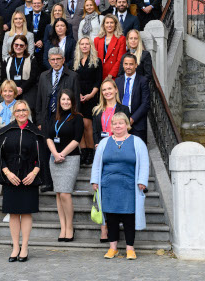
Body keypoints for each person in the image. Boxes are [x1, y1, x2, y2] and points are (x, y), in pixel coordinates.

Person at [0, 100, 45, 262]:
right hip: (11, 178)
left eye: (24, 110)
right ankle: (15, 247)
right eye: (18, 110)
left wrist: (34, 173)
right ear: (13, 113)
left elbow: (42, 157)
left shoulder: (36, 133)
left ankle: (24, 247)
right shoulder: (6, 131)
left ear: (28, 112)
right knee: (13, 214)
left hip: (28, 179)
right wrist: (7, 173)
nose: (21, 113)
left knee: (26, 213)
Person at [91, 112, 149, 260]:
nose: (117, 126)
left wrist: (142, 180)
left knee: (129, 217)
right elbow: (97, 164)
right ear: (111, 126)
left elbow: (144, 163)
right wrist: (95, 181)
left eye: (121, 123)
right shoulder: (104, 143)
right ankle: (113, 248)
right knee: (111, 218)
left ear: (127, 125)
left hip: (129, 186)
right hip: (108, 186)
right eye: (114, 123)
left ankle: (130, 248)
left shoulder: (137, 142)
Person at [91, 78, 131, 243]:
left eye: (109, 89)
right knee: (101, 190)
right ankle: (104, 228)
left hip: (118, 152)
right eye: (104, 90)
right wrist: (96, 145)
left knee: (117, 189)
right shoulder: (97, 110)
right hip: (102, 152)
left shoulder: (124, 109)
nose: (107, 92)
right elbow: (94, 131)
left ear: (115, 90)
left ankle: (117, 224)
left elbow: (127, 129)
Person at [35, 47, 80, 192]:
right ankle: (48, 182)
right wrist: (40, 121)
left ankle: (64, 181)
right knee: (47, 150)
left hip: (66, 119)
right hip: (48, 119)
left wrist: (74, 118)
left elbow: (76, 101)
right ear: (48, 61)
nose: (55, 62)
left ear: (63, 59)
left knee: (62, 149)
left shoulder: (72, 76)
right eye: (52, 60)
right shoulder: (43, 76)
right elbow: (39, 99)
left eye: (58, 59)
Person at [46, 90, 84, 242]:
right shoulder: (54, 116)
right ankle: (62, 227)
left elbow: (77, 139)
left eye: (68, 99)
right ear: (59, 101)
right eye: (63, 99)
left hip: (71, 158)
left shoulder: (77, 118)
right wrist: (55, 154)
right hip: (54, 158)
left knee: (65, 193)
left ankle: (70, 227)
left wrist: (62, 154)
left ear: (73, 101)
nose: (66, 102)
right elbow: (48, 137)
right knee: (58, 193)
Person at [0, 80, 20, 199]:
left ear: (15, 93)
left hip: (15, 145)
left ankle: (12, 207)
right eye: (5, 91)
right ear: (1, 93)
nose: (7, 94)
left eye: (10, 91)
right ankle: (5, 206)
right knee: (0, 176)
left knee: (13, 176)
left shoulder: (20, 106)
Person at [73, 37, 102, 165]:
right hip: (78, 97)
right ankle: (83, 151)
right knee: (79, 124)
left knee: (87, 124)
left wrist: (90, 95)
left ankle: (90, 151)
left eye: (87, 44)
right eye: (82, 44)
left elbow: (98, 81)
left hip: (91, 96)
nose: (84, 46)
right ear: (79, 46)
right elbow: (74, 81)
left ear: (91, 46)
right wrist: (78, 94)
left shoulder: (97, 61)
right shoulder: (74, 62)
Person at [116, 54, 150, 143]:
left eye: (131, 64)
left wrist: (132, 119)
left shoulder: (143, 81)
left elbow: (145, 103)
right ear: (123, 65)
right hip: (120, 121)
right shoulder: (118, 81)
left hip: (137, 123)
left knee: (138, 152)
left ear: (136, 65)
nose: (128, 67)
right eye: (126, 64)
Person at [2, 35, 39, 108]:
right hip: (11, 94)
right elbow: (4, 78)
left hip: (28, 94)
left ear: (25, 47)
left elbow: (33, 77)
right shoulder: (7, 60)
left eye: (21, 45)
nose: (18, 47)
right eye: (16, 45)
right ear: (13, 45)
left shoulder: (32, 59)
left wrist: (21, 88)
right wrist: (13, 89)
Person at [94, 14, 126, 80]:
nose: (109, 25)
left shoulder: (121, 39)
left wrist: (112, 74)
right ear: (103, 25)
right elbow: (94, 57)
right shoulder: (97, 39)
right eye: (107, 23)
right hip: (99, 73)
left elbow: (120, 59)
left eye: (111, 23)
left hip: (114, 75)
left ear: (115, 24)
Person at [26, 0, 51, 69]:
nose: (36, 5)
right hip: (29, 49)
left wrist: (42, 41)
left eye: (39, 3)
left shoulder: (48, 17)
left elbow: (50, 33)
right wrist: (30, 42)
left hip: (43, 49)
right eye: (34, 3)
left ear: (42, 5)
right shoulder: (26, 17)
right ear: (31, 5)